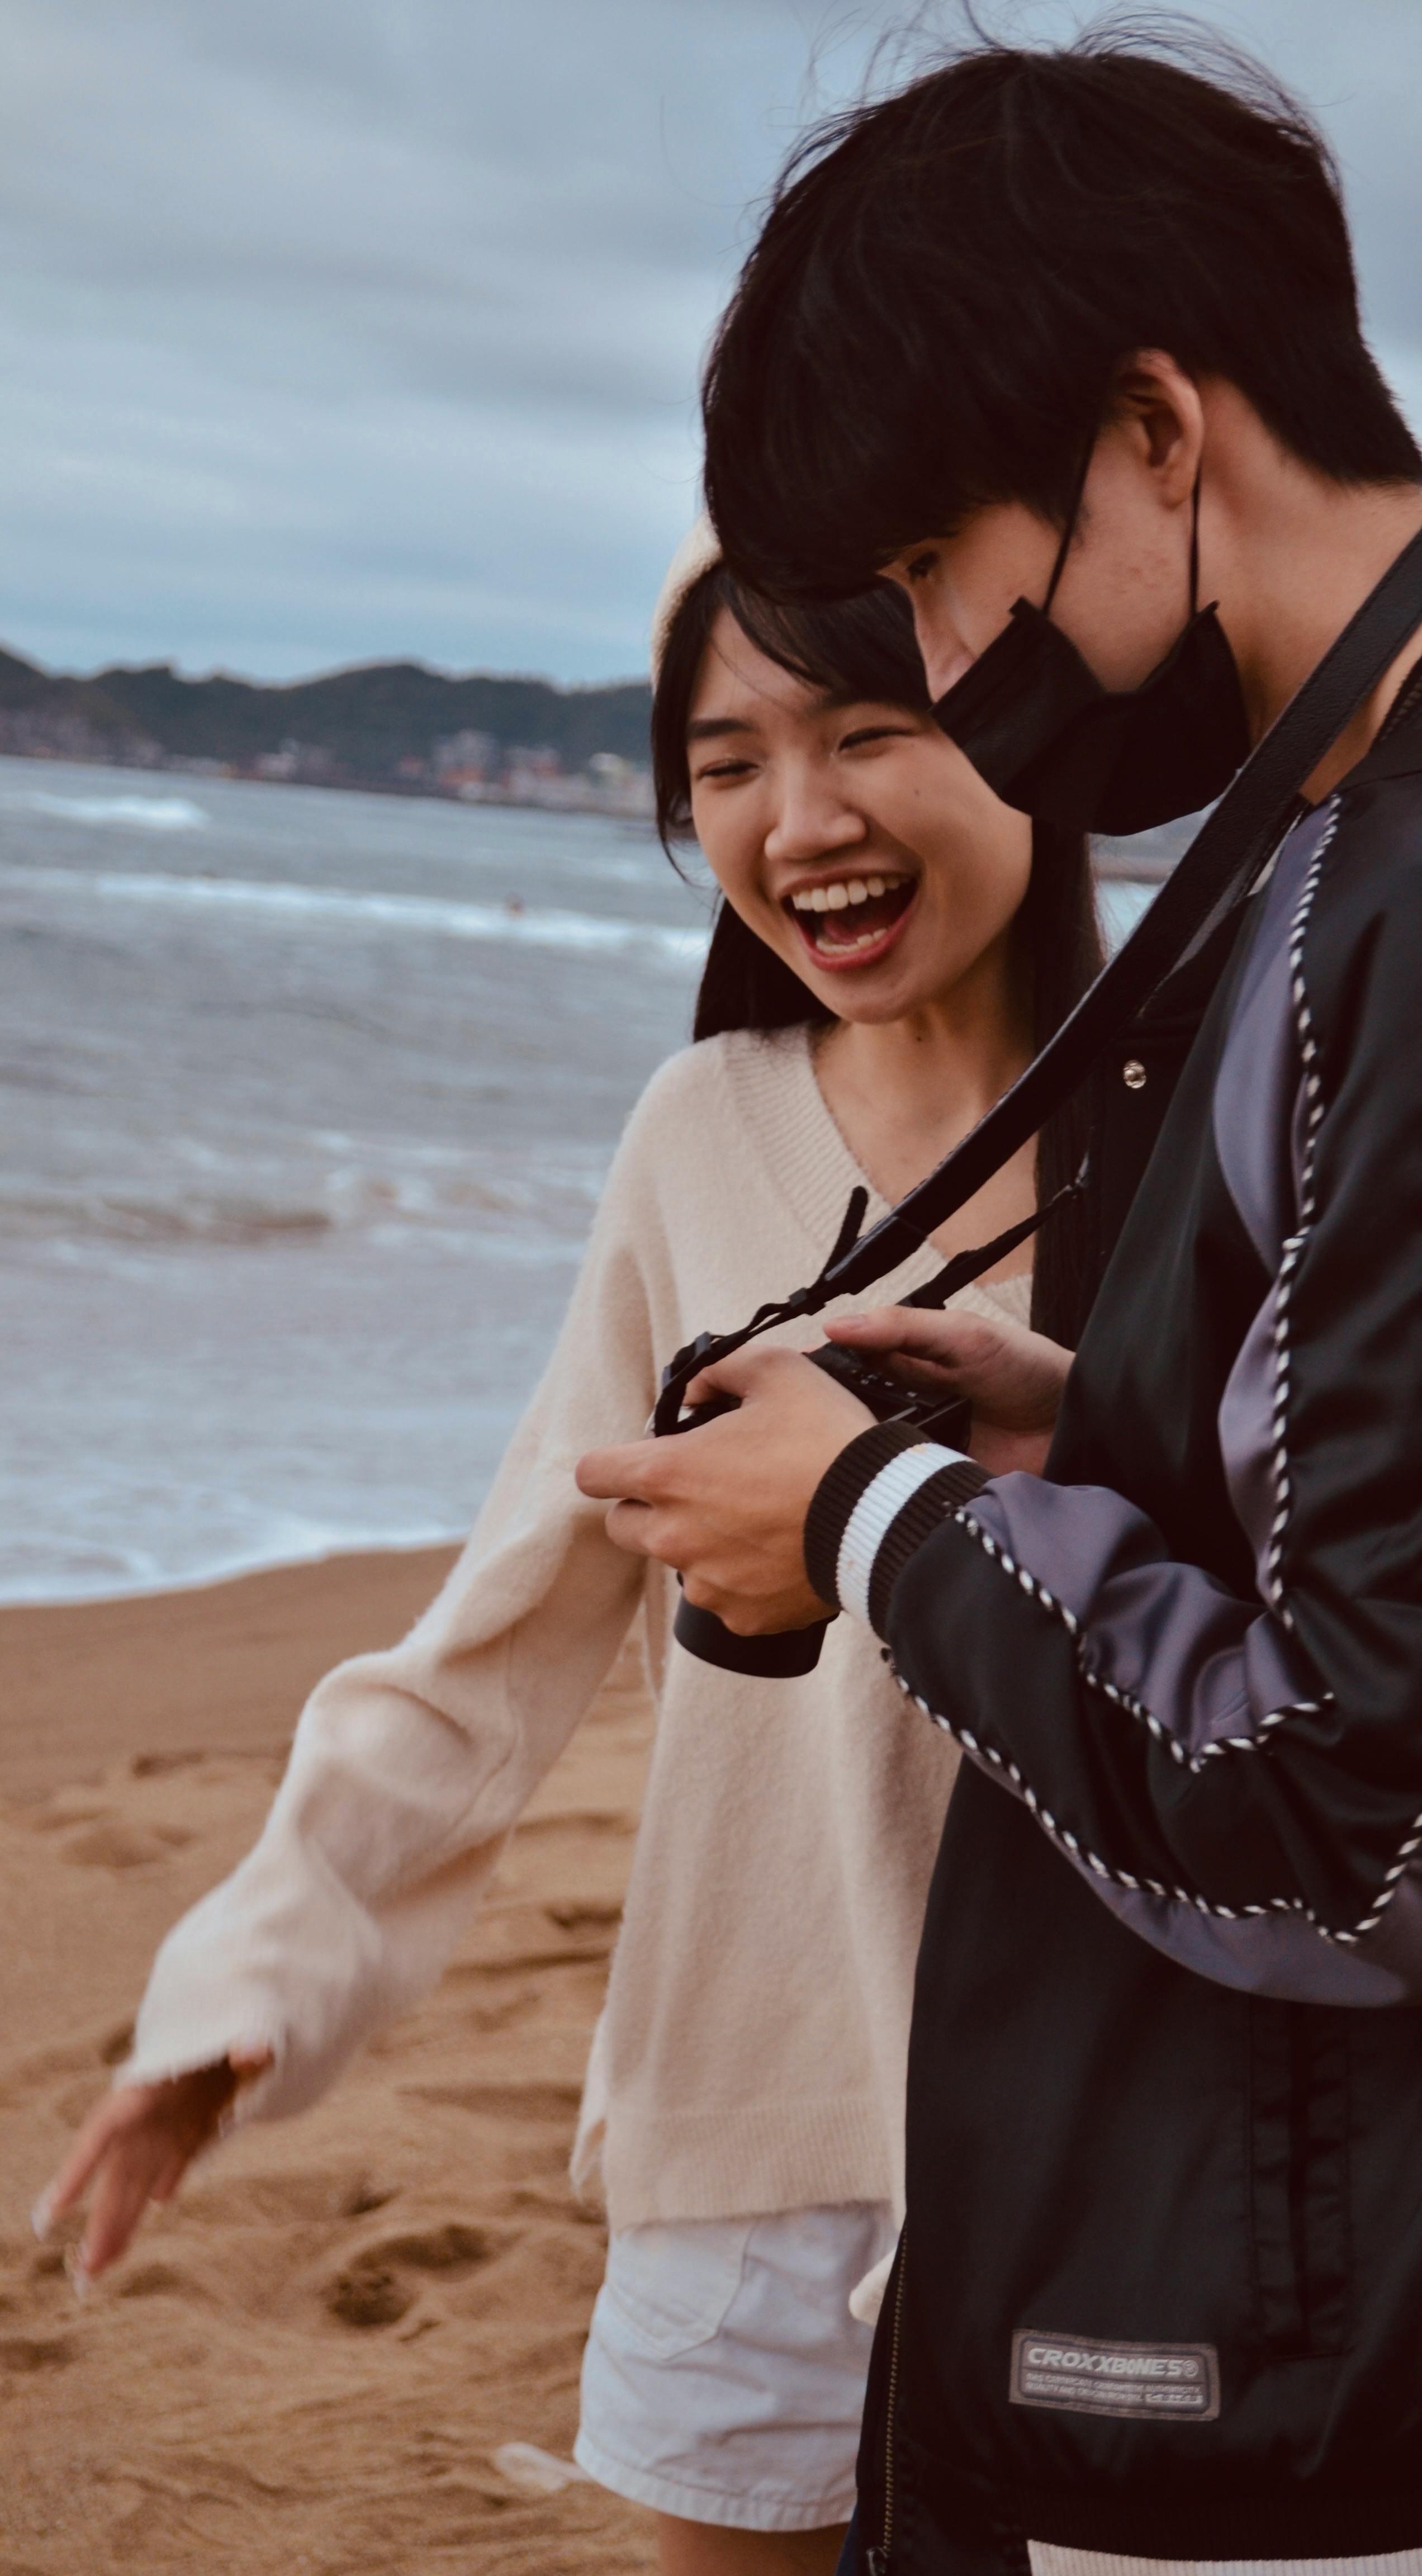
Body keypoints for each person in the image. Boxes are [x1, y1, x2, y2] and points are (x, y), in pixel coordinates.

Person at [575, 28, 1422, 2575]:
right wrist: (1095, 1423)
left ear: (1158, 433)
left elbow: (1399, 1822)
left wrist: (871, 1527)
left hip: (1318, 2395)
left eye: (949, 580)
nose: (966, 669)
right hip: (1370, 2313)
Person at [35, 543, 1103, 2574]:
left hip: (1105, 2128)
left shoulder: (1204, 1114)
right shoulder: (701, 1126)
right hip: (745, 2106)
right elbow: (503, 1632)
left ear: (1030, 732)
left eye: (875, 730)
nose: (802, 821)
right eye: (726, 765)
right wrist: (258, 1978)